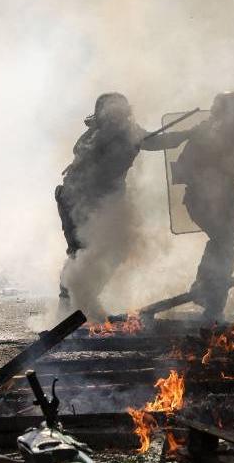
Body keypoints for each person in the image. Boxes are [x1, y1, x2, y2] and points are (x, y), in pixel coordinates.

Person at [55, 93, 190, 315]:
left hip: (104, 202)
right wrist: (111, 138)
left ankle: (84, 301)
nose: (115, 118)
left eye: (119, 113)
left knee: (113, 253)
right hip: (76, 199)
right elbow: (84, 154)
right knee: (80, 253)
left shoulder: (130, 133)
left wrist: (188, 134)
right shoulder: (92, 137)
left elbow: (158, 141)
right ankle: (67, 309)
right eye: (111, 113)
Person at [174, 92, 234, 322]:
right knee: (223, 242)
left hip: (226, 203)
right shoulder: (202, 134)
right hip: (200, 201)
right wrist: (210, 166)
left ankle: (210, 301)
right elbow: (182, 169)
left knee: (224, 245)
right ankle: (207, 291)